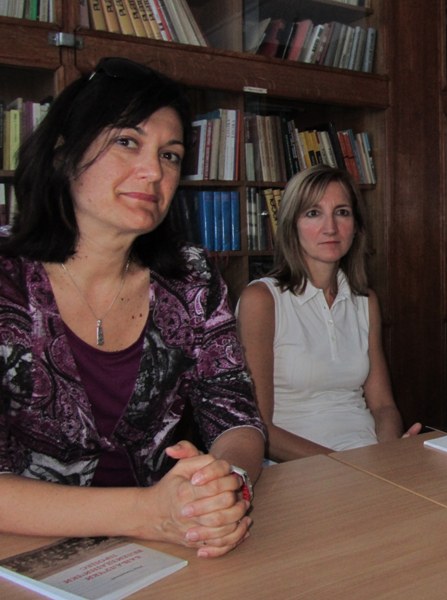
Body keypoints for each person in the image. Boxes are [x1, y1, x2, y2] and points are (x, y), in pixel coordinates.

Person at [0, 57, 265, 558]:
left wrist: (222, 485)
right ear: (64, 153)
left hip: (164, 551)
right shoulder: (7, 282)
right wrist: (149, 512)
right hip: (23, 558)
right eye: (127, 141)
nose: (154, 171)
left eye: (170, 155)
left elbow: (237, 417)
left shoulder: (191, 278)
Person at [236, 164, 421, 462]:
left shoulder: (365, 300)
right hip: (297, 468)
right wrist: (345, 466)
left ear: (356, 226)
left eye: (342, 212)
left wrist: (387, 453)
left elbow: (384, 406)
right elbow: (258, 428)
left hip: (367, 458)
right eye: (313, 213)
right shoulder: (261, 300)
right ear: (291, 225)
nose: (331, 228)